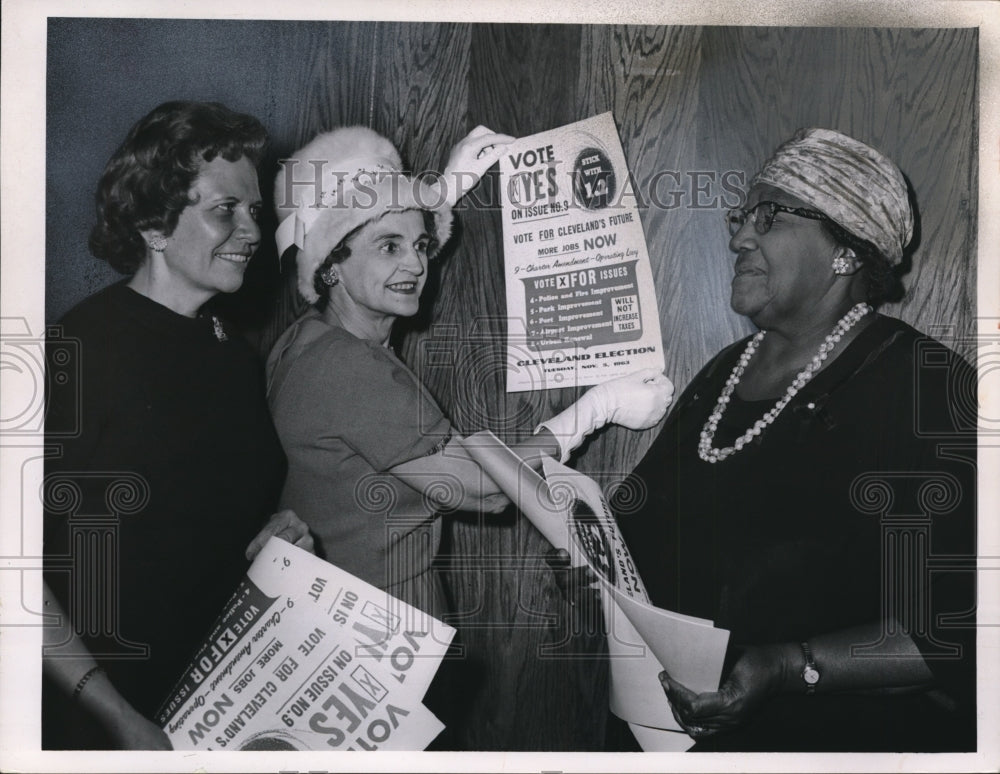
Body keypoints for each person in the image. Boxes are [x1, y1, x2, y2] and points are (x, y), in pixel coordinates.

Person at [610, 128, 976, 751]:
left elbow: (961, 626)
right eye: (742, 216)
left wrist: (789, 666)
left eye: (769, 216)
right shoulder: (724, 373)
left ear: (848, 250)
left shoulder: (923, 386)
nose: (739, 236)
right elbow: (634, 528)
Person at [266, 125, 673, 617]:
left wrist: (438, 196)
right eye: (389, 246)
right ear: (331, 266)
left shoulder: (303, 341)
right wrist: (596, 409)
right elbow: (487, 489)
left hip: (333, 623)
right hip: (376, 638)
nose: (417, 265)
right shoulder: (348, 366)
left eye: (421, 245)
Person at [42, 101, 313, 750]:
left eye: (256, 210)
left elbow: (209, 520)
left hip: (214, 708)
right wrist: (111, 714)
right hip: (103, 714)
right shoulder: (83, 347)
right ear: (152, 224)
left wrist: (274, 542)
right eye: (226, 209)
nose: (251, 230)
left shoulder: (234, 356)